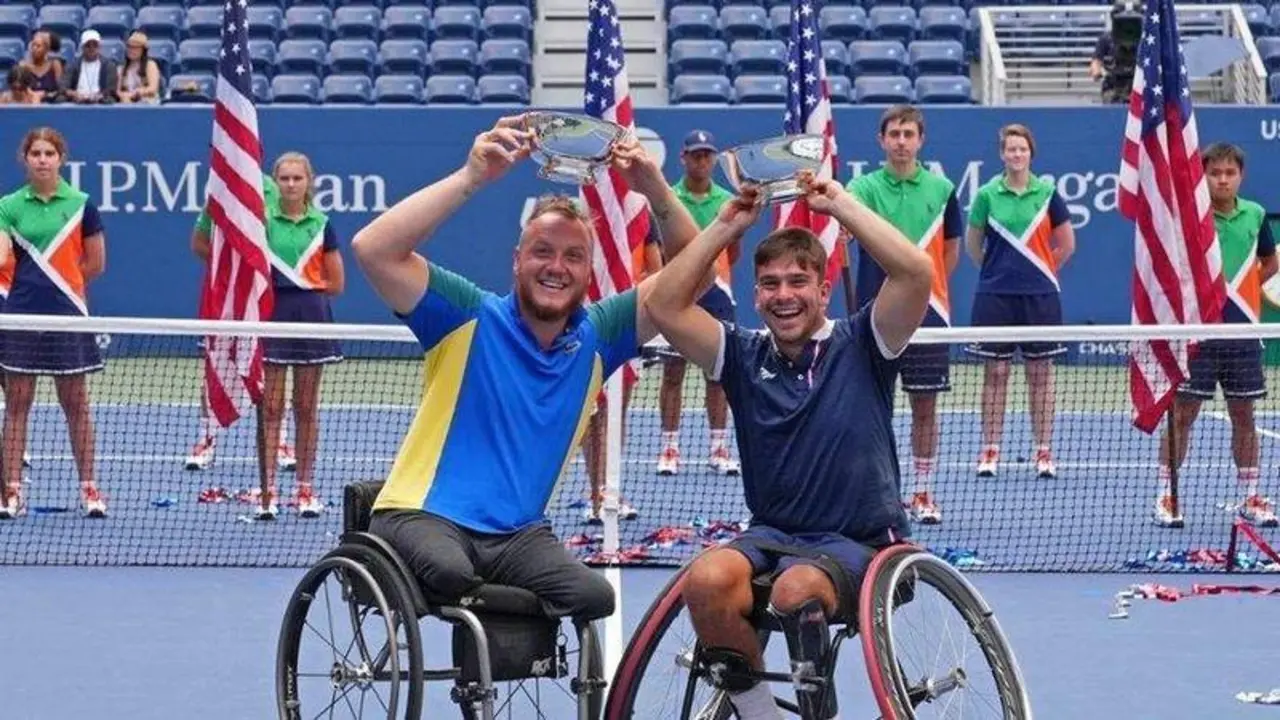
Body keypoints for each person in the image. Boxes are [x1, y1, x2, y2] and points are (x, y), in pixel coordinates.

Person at [351, 115, 699, 618]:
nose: (556, 267)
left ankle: (481, 620)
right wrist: (471, 177)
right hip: (422, 513)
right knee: (450, 571)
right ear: (517, 260)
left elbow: (695, 271)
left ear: (587, 271)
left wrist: (655, 189)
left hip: (516, 535)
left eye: (573, 256)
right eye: (542, 252)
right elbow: (373, 249)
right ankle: (476, 603)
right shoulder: (466, 314)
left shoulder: (602, 335)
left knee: (594, 598)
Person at [648, 172, 933, 720]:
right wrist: (726, 226)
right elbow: (663, 304)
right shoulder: (739, 354)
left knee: (795, 589)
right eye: (771, 284)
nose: (784, 295)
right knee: (705, 580)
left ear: (823, 291)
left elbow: (916, 271)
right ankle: (762, 715)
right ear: (755, 295)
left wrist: (840, 205)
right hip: (773, 537)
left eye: (798, 282)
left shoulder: (863, 343)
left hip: (864, 545)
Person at [846, 104, 961, 526]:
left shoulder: (943, 189)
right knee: (871, 407)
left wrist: (920, 293)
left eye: (908, 134)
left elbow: (950, 251)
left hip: (928, 315)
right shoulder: (861, 188)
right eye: (893, 133)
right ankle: (877, 493)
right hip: (872, 316)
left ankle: (922, 491)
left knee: (924, 406)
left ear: (920, 140)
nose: (900, 141)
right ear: (881, 140)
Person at [1155, 143, 1278, 529]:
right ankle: (1167, 494)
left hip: (1241, 333)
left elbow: (1270, 264)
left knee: (1243, 413)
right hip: (1197, 332)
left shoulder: (1256, 214)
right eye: (1215, 173)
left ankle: (1250, 495)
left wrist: (1247, 294)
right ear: (1203, 175)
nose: (1222, 179)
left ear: (1240, 176)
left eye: (1230, 173)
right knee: (1183, 414)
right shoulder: (1189, 216)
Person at [0, 127, 107, 519]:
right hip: (21, 315)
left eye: (49, 153)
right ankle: (10, 492)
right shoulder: (8, 205)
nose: (43, 159)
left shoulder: (82, 205)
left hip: (68, 315)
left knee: (76, 403)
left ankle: (89, 488)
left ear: (61, 158)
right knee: (17, 403)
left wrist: (63, 287)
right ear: (24, 159)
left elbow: (95, 263)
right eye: (36, 153)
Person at [965, 124, 1075, 480]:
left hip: (1040, 297)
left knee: (1040, 375)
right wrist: (998, 273)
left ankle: (1043, 451)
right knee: (995, 374)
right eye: (1010, 149)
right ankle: (990, 450)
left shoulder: (1047, 193)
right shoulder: (985, 194)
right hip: (995, 297)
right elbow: (972, 245)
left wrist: (1040, 271)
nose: (1016, 155)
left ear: (1031, 153)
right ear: (1002, 154)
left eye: (1022, 149)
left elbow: (1066, 244)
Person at [247, 152, 343, 520]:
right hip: (271, 317)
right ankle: (267, 492)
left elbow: (336, 283)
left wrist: (305, 285)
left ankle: (305, 489)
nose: (290, 185)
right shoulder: (261, 224)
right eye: (284, 178)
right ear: (275, 182)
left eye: (296, 178)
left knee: (305, 407)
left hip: (311, 318)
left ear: (308, 182)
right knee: (269, 409)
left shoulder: (322, 225)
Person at [186, 175, 298, 473]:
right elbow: (198, 242)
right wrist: (232, 271)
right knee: (215, 365)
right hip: (224, 298)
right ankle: (206, 439)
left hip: (261, 296)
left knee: (271, 370)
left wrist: (251, 277)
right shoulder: (220, 188)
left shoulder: (272, 191)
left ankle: (282, 441)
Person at [657, 130, 741, 477]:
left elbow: (732, 253)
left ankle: (719, 448)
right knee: (673, 373)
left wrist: (714, 277)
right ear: (683, 158)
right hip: (677, 294)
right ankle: (669, 448)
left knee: (718, 375)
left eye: (707, 155)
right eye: (695, 155)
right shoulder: (668, 199)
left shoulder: (727, 201)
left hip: (718, 295)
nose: (702, 161)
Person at [579, 214, 662, 525]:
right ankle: (594, 490)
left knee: (617, 411)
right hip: (591, 318)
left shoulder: (642, 214)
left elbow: (657, 270)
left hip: (627, 319)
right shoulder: (591, 211)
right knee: (591, 412)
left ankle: (608, 488)